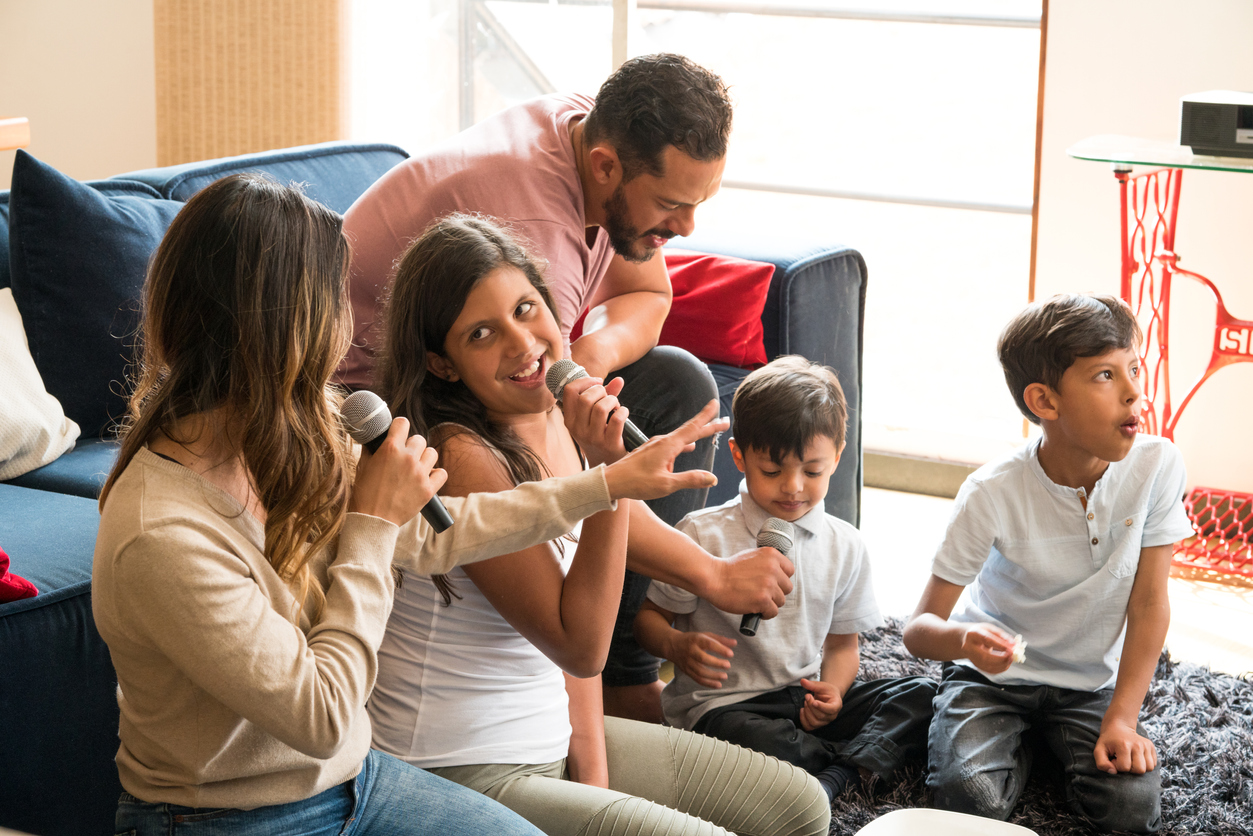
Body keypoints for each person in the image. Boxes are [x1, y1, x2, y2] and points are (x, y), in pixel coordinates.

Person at [92, 174, 728, 836]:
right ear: (282, 330)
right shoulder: (161, 534)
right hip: (224, 814)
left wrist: (606, 484)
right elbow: (321, 715)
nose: (344, 331)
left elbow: (436, 535)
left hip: (354, 777)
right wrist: (370, 524)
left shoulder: (299, 434)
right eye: (331, 304)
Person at [339, 54, 790, 721]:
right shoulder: (535, 230)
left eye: (697, 203)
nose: (687, 228)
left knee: (670, 381)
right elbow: (570, 476)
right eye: (671, 205)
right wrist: (708, 572)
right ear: (607, 165)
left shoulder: (587, 125)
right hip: (378, 399)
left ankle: (624, 647)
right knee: (622, 436)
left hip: (473, 370)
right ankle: (621, 668)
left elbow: (644, 292)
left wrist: (583, 359)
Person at [367, 214, 831, 836]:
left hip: (547, 736)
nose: (522, 343)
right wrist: (613, 481)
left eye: (526, 309)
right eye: (482, 333)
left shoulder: (554, 414)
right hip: (464, 767)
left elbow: (580, 584)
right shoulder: (460, 456)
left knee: (801, 807)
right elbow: (580, 642)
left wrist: (595, 782)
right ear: (442, 363)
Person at [902, 294, 1194, 833]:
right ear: (1045, 400)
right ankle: (1014, 743)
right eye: (1106, 375)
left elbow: (1151, 601)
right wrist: (964, 643)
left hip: (1090, 686)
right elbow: (918, 631)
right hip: (990, 682)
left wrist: (1123, 719)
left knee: (1131, 811)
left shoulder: (1159, 465)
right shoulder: (990, 491)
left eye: (1134, 367)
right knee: (966, 801)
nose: (1135, 391)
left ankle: (1032, 747)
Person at [634, 356, 937, 802]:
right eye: (772, 471)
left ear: (837, 456)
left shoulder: (846, 545)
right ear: (739, 455)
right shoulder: (702, 533)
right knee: (753, 740)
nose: (793, 487)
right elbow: (648, 621)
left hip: (801, 700)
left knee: (924, 693)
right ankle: (855, 765)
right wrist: (676, 646)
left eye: (812, 471)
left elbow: (842, 647)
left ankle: (826, 775)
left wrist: (832, 692)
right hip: (726, 710)